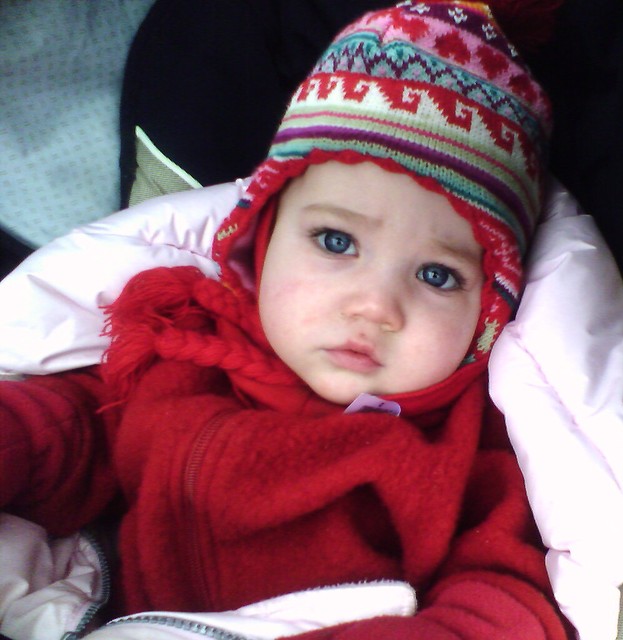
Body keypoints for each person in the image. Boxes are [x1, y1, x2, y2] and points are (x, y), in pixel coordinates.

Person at [0, 2, 573, 638]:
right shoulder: (185, 347)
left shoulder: (475, 448)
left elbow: (506, 601)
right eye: (336, 242)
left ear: (489, 313)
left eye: (437, 275)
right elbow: (78, 433)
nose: (374, 306)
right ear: (260, 241)